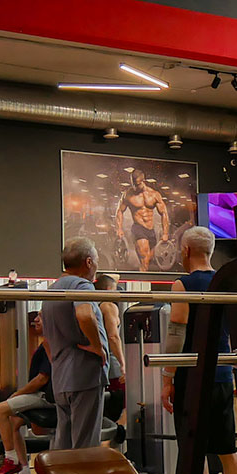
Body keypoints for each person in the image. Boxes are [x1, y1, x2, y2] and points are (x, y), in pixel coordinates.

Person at [165, 225, 237, 474]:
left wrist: (167, 376)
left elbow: (177, 331)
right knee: (228, 449)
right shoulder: (226, 283)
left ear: (185, 251)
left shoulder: (182, 284)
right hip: (223, 373)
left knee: (194, 450)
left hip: (193, 375)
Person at [39, 237, 110, 456]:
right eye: (96, 261)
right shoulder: (81, 285)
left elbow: (46, 339)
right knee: (85, 447)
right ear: (88, 262)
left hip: (61, 377)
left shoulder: (51, 291)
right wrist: (97, 347)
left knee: (64, 447)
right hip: (84, 375)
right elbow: (84, 314)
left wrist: (57, 362)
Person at [0, 312, 51, 474]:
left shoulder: (50, 344)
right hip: (41, 394)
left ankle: (11, 459)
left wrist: (18, 394)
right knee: (15, 420)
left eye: (41, 317)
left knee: (0, 410)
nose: (35, 320)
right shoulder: (44, 344)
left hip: (47, 397)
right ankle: (24, 472)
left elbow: (42, 379)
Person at [93, 272, 128, 445]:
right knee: (128, 403)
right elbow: (114, 337)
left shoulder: (93, 307)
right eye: (115, 290)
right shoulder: (108, 306)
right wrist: (123, 364)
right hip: (113, 367)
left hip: (99, 368)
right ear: (108, 290)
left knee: (107, 413)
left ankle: (109, 448)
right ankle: (111, 446)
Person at [114, 174, 170, 272]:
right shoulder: (128, 194)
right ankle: (142, 279)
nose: (135, 187)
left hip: (151, 230)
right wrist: (119, 228)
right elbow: (119, 211)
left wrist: (165, 233)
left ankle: (142, 274)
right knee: (145, 260)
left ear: (143, 181)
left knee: (149, 260)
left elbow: (164, 213)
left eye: (137, 185)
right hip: (138, 228)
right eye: (133, 184)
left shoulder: (154, 194)